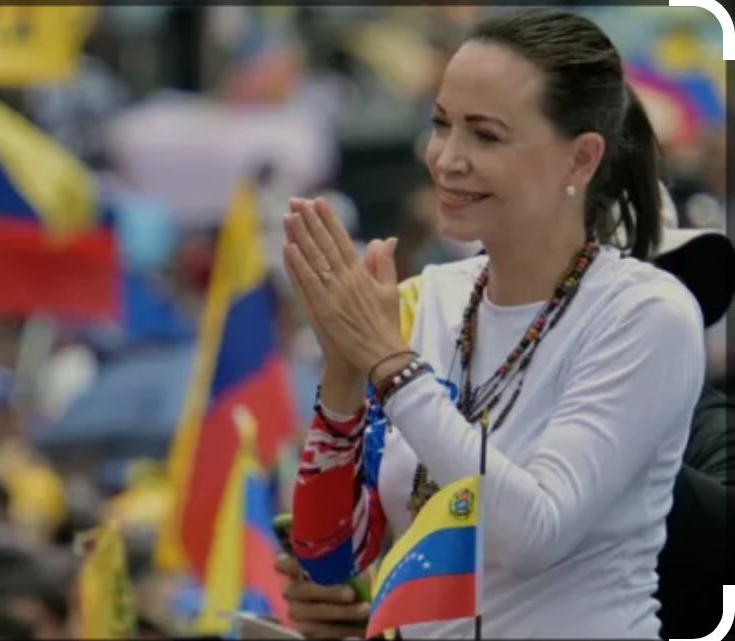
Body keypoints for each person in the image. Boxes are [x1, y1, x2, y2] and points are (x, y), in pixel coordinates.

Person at [281, 9, 707, 638]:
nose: (449, 159)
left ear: (581, 159)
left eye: (486, 135)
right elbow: (330, 555)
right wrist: (344, 375)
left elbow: (534, 533)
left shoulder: (646, 314)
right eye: (441, 124)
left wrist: (394, 369)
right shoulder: (425, 300)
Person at [275, 188, 735, 640]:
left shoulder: (708, 422)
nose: (566, 310)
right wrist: (364, 603)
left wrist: (622, 451)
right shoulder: (450, 385)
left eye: (593, 280)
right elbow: (347, 553)